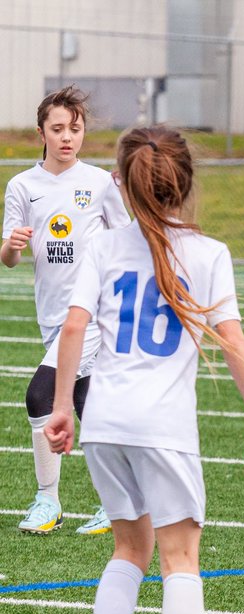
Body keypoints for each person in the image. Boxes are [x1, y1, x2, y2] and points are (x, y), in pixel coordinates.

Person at [43, 126, 244, 614]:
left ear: (121, 183)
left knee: (127, 549)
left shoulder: (104, 246)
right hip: (163, 429)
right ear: (186, 184)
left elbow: (73, 329)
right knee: (180, 560)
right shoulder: (207, 252)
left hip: (106, 424)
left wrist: (65, 405)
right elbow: (233, 342)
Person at [2, 86, 131, 535]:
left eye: (74, 129)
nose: (67, 138)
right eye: (57, 129)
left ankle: (47, 501)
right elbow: (10, 257)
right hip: (52, 315)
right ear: (41, 132)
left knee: (40, 395)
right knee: (85, 402)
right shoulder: (21, 186)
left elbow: (126, 239)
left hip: (94, 313)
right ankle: (117, 503)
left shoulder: (99, 184)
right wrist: (11, 247)